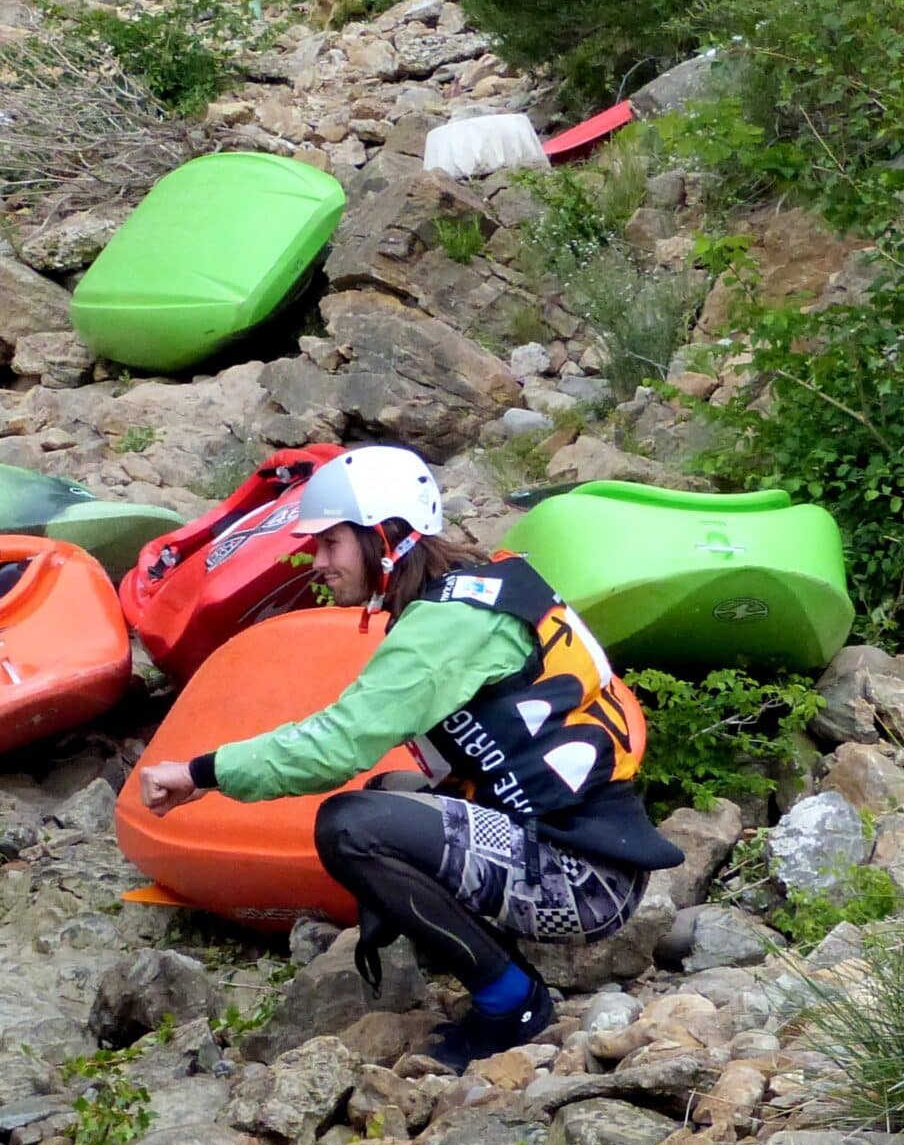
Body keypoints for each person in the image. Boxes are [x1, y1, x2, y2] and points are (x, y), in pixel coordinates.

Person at [138, 445, 684, 1069]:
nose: (316, 562)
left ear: (387, 536)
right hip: (585, 850)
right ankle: (476, 961)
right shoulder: (487, 588)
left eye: (330, 544)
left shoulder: (449, 623)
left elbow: (335, 746)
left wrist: (200, 772)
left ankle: (512, 1003)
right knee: (386, 793)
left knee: (350, 827)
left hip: (580, 879)